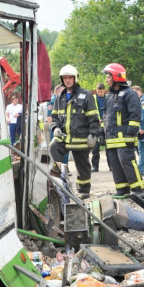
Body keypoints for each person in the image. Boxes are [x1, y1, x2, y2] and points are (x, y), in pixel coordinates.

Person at [49, 65, 99, 199]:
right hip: (65, 137)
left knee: (82, 164)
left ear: (75, 78)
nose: (67, 80)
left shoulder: (86, 95)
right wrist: (56, 128)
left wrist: (93, 134)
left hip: (81, 138)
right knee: (53, 147)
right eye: (65, 78)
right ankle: (59, 182)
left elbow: (94, 116)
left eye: (70, 77)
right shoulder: (60, 97)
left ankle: (83, 190)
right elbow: (55, 116)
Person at [102, 63, 144, 199]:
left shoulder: (130, 94)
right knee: (115, 165)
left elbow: (135, 116)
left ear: (116, 76)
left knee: (127, 162)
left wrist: (130, 135)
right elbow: (107, 116)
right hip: (111, 139)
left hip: (124, 138)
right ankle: (122, 190)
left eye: (108, 76)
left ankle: (140, 190)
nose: (106, 79)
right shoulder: (109, 96)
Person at [91, 83, 112, 172]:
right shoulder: (93, 98)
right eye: (98, 91)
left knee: (109, 149)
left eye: (101, 91)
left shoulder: (108, 98)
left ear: (104, 90)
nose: (100, 93)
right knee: (95, 149)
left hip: (107, 127)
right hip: (96, 126)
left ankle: (111, 166)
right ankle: (95, 167)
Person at [47, 84, 69, 169]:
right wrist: (56, 128)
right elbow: (49, 117)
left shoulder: (64, 100)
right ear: (58, 91)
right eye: (63, 90)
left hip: (63, 129)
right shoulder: (52, 101)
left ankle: (64, 167)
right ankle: (58, 168)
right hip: (56, 129)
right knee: (56, 150)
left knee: (65, 149)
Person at [132, 85, 144, 176]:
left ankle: (141, 170)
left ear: (138, 91)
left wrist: (141, 128)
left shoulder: (143, 101)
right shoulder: (142, 100)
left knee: (142, 149)